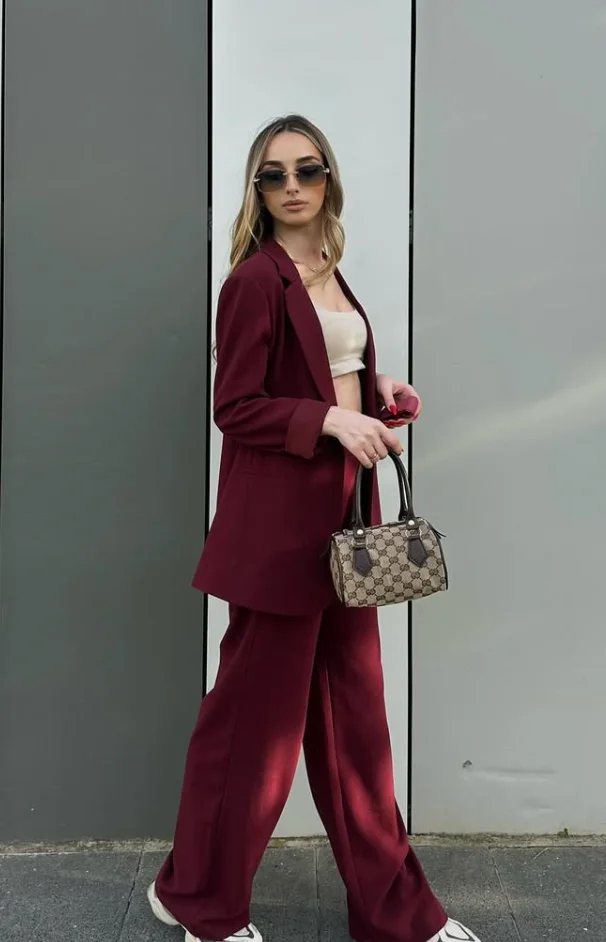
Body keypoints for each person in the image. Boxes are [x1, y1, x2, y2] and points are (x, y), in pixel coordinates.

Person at [147, 115, 481, 942]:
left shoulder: (329, 268)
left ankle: (396, 913)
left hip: (345, 528)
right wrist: (331, 420)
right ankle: (198, 903)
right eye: (274, 174)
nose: (292, 185)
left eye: (307, 169)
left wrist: (377, 393)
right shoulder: (253, 281)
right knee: (253, 734)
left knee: (357, 731)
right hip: (277, 538)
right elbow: (237, 407)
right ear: (257, 191)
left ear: (329, 178)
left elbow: (325, 369)